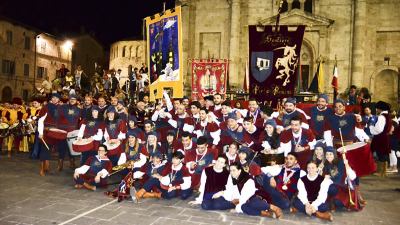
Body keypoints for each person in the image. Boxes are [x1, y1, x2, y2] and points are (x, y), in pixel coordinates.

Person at [370, 101, 392, 177]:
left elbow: (379, 129)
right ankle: (383, 172)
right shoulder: (388, 116)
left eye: (377, 109)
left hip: (380, 138)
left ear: (380, 109)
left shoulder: (381, 117)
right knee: (384, 154)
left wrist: (371, 127)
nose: (376, 110)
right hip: (385, 137)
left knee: (381, 154)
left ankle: (380, 172)